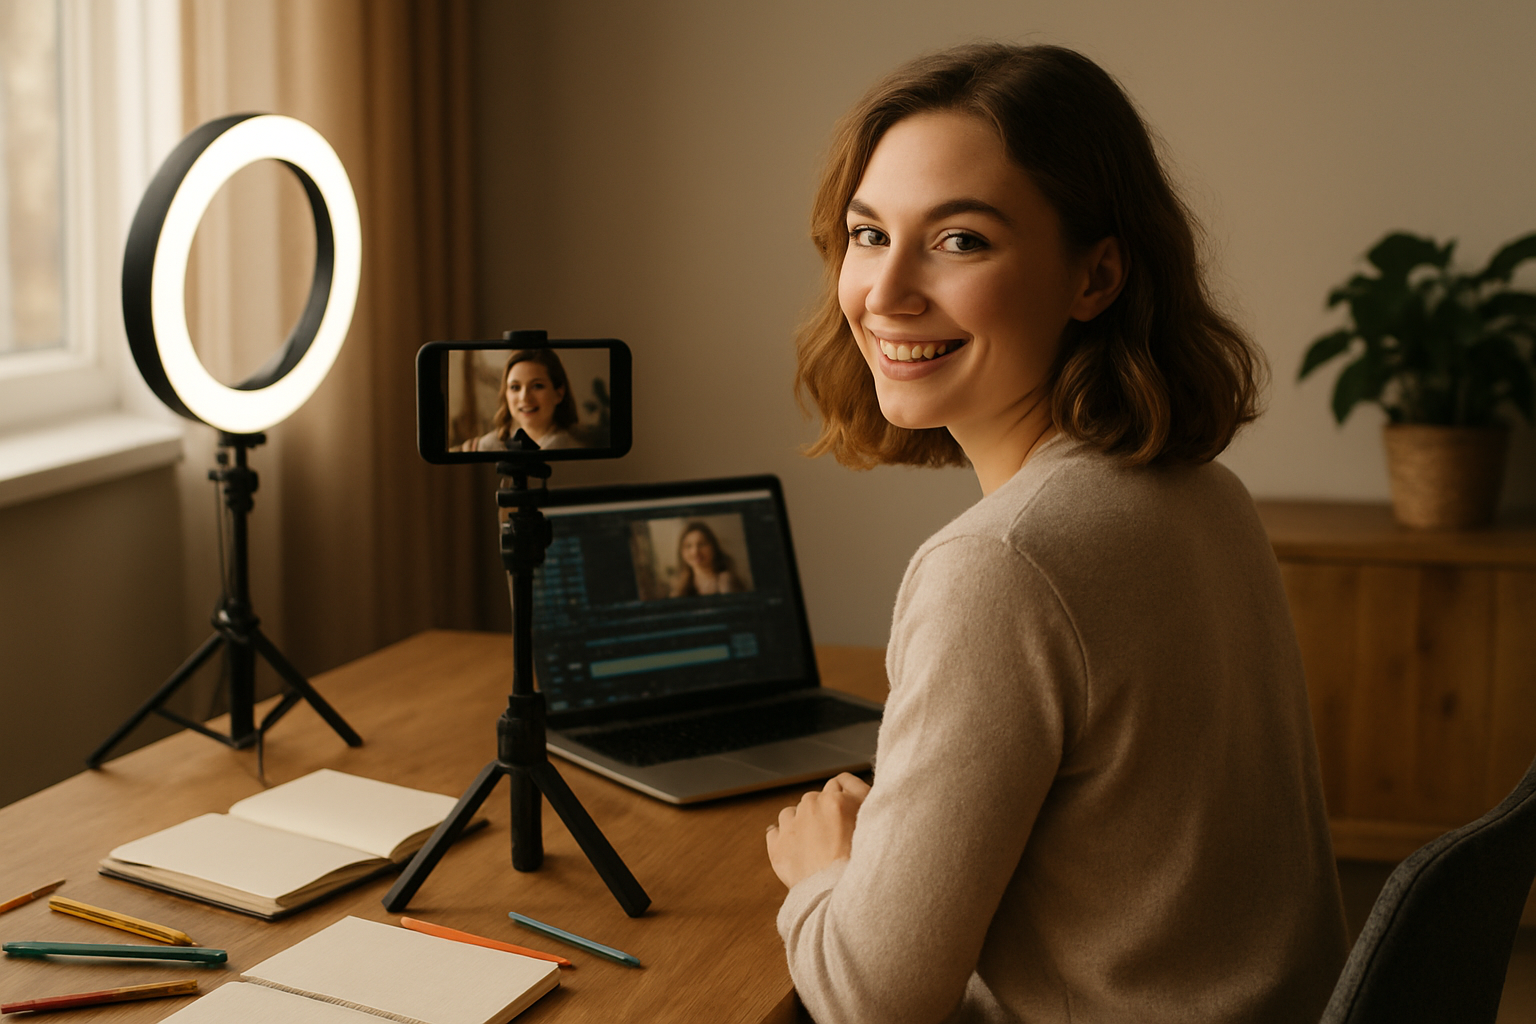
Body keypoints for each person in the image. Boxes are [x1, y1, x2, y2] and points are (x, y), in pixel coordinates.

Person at [764, 43, 1348, 1024]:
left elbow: (874, 1001)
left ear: (1097, 274)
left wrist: (824, 873)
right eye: (869, 235)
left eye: (959, 241)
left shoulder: (999, 566)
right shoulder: (1206, 493)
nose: (886, 292)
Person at [460, 349, 581, 451]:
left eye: (537, 386)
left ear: (559, 393)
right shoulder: (487, 445)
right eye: (515, 387)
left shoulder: (573, 449)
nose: (524, 397)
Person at [668, 521, 743, 596]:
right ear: (681, 552)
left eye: (702, 544)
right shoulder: (680, 586)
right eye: (688, 546)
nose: (695, 552)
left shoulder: (725, 580)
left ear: (713, 547)